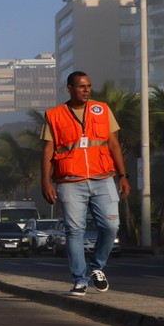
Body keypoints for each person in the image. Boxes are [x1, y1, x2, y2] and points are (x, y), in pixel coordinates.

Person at [41, 70, 130, 295]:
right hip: (70, 181)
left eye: (89, 86)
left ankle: (97, 268)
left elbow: (114, 145)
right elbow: (48, 150)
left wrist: (123, 175)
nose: (86, 90)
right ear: (69, 88)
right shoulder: (54, 115)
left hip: (103, 179)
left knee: (111, 226)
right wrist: (45, 181)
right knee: (75, 231)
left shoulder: (102, 110)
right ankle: (79, 279)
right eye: (81, 86)